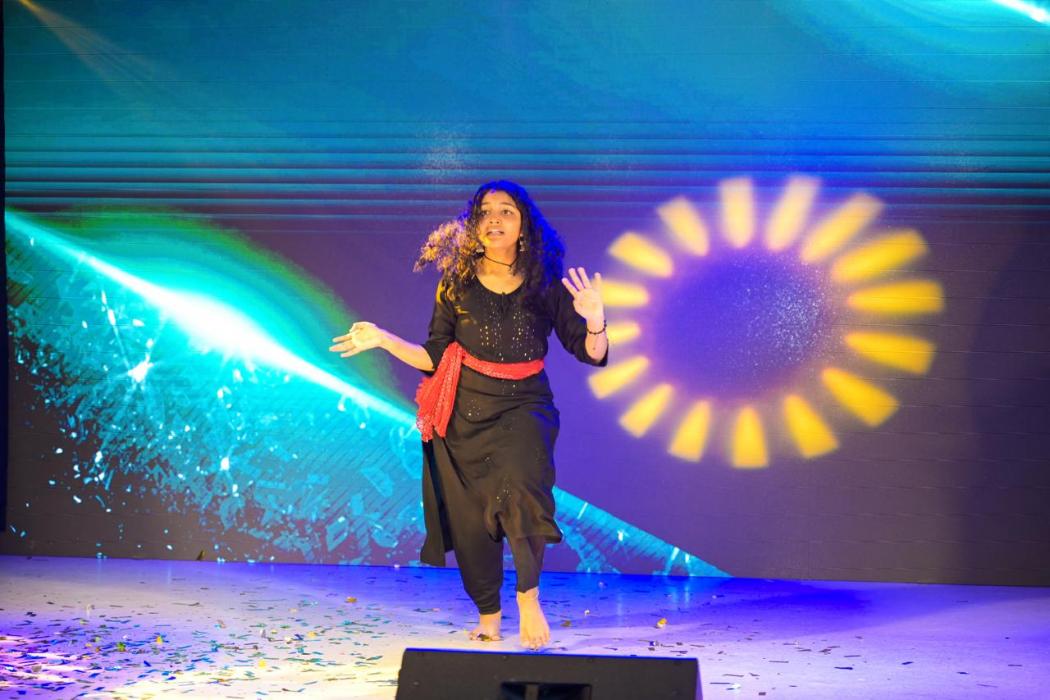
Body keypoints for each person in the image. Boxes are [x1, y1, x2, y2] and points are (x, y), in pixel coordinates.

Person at [330, 181, 608, 650]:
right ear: (473, 225)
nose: (494, 218)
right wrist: (382, 339)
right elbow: (435, 355)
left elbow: (590, 352)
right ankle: (488, 613)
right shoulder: (455, 282)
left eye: (507, 211)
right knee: (471, 519)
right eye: (484, 211)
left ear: (524, 226)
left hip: (525, 404)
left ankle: (528, 595)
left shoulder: (544, 281)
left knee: (522, 490)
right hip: (465, 411)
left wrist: (595, 319)